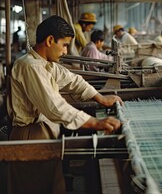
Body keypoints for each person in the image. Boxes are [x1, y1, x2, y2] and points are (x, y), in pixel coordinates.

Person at [7, 15, 123, 193]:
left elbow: (74, 80)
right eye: (64, 45)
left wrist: (101, 98)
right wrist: (95, 123)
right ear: (50, 40)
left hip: (44, 131)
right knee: (34, 186)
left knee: (51, 183)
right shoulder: (30, 66)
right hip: (30, 134)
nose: (66, 52)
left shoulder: (47, 65)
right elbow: (54, 107)